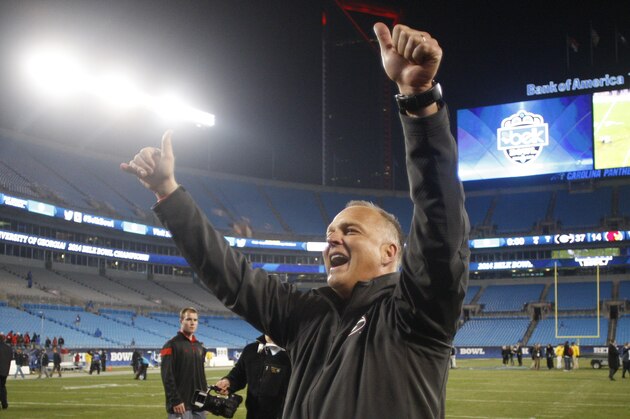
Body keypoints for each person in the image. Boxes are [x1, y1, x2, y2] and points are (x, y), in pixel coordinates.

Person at [122, 22, 469, 418]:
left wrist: (419, 100)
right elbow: (231, 276)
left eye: (349, 231)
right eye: (330, 233)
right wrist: (168, 193)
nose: (333, 240)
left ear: (391, 252)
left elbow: (441, 223)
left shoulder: (416, 313)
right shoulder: (305, 315)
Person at [215, 335, 291, 419]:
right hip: (252, 415)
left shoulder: (293, 352)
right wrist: (228, 381)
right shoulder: (251, 350)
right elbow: (239, 373)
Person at [160, 307, 207, 418]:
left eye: (195, 320)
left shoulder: (200, 347)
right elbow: (167, 375)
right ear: (181, 321)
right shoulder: (171, 344)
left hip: (198, 403)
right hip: (180, 404)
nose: (192, 323)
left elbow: (201, 376)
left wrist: (205, 400)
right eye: (189, 319)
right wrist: (175, 400)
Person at [0, 334, 12, 409]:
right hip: (5, 371)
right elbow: (10, 358)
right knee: (2, 387)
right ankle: (4, 403)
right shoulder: (8, 348)